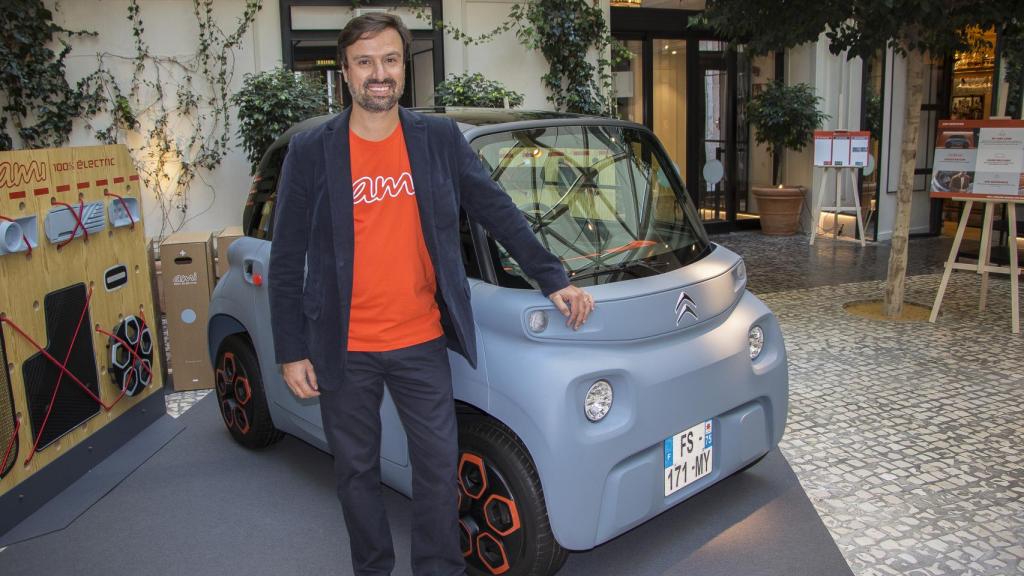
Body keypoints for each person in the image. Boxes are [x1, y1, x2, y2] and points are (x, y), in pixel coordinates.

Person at [267, 13, 594, 576]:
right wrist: (291, 348)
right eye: (365, 61)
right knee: (356, 472)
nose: (379, 73)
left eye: (390, 60)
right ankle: (373, 567)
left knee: (439, 471)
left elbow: (495, 208)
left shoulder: (436, 139)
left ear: (403, 68)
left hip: (421, 338)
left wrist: (553, 276)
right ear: (345, 72)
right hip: (343, 346)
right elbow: (286, 254)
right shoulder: (314, 151)